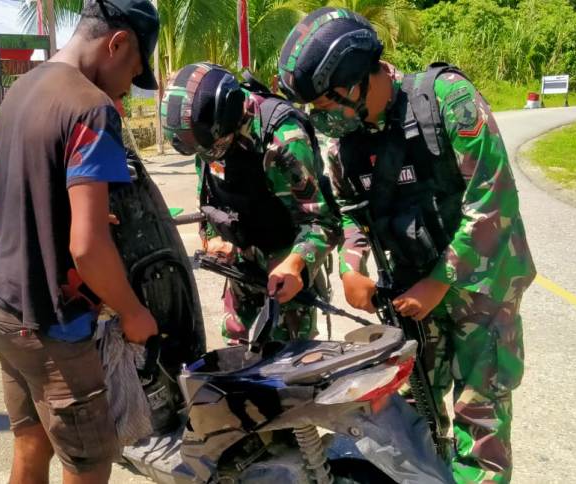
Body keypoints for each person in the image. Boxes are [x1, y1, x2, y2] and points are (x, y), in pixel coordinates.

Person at [278, 8, 536, 483]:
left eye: (326, 103)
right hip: (411, 291)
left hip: (482, 287)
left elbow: (492, 202)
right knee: (411, 411)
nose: (322, 117)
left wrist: (438, 282)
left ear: (356, 79)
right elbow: (351, 213)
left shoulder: (447, 100)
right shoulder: (345, 143)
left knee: (480, 416)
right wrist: (352, 268)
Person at [0, 1, 160, 482]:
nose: (126, 87)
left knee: (32, 441)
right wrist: (133, 313)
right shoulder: (91, 108)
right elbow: (88, 248)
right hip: (46, 323)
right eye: (132, 71)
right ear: (117, 43)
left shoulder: (20, 90)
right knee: (87, 461)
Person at [161, 63, 340, 344]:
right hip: (241, 273)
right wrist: (214, 239)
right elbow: (208, 198)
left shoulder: (284, 140)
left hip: (286, 276)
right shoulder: (205, 136)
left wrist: (295, 264)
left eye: (212, 148)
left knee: (289, 363)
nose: (208, 156)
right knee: (236, 358)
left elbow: (324, 222)